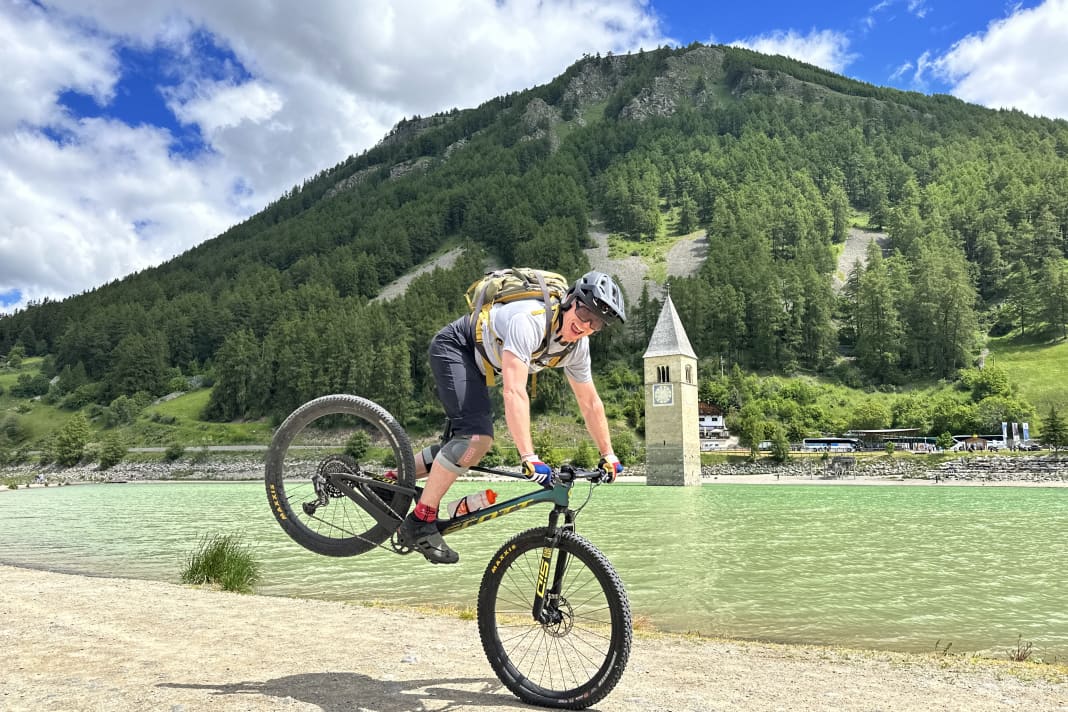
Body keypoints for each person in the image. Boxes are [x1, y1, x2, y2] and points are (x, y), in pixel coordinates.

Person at [396, 270, 627, 564]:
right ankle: (420, 521)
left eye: (597, 323)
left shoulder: (578, 347)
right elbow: (514, 391)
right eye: (584, 313)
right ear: (570, 300)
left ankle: (390, 480)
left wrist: (608, 454)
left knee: (467, 446)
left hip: (482, 365)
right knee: (476, 440)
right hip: (457, 348)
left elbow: (590, 402)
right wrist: (528, 456)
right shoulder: (529, 320)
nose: (585, 325)